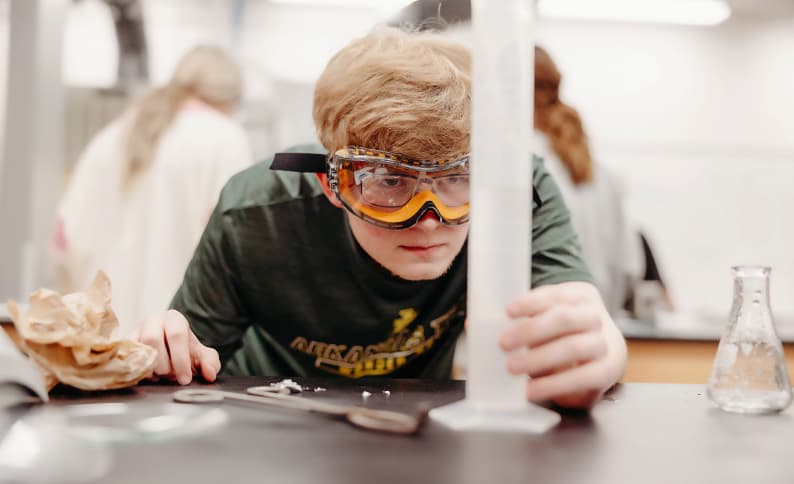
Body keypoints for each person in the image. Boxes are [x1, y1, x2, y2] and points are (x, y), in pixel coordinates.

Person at [133, 28, 627, 410]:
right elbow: (184, 364)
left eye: (458, 177)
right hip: (273, 418)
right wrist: (165, 352)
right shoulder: (256, 213)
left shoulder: (516, 189)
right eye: (389, 182)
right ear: (331, 184)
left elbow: (586, 319)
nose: (429, 220)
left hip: (413, 428)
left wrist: (603, 351)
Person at [52, 45, 254, 334]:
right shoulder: (226, 138)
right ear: (231, 97)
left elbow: (66, 241)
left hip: (102, 340)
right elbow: (235, 247)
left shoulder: (114, 133)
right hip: (175, 341)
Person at [532, 45, 642, 316]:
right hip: (598, 323)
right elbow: (631, 266)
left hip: (541, 323)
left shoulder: (521, 163)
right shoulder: (599, 171)